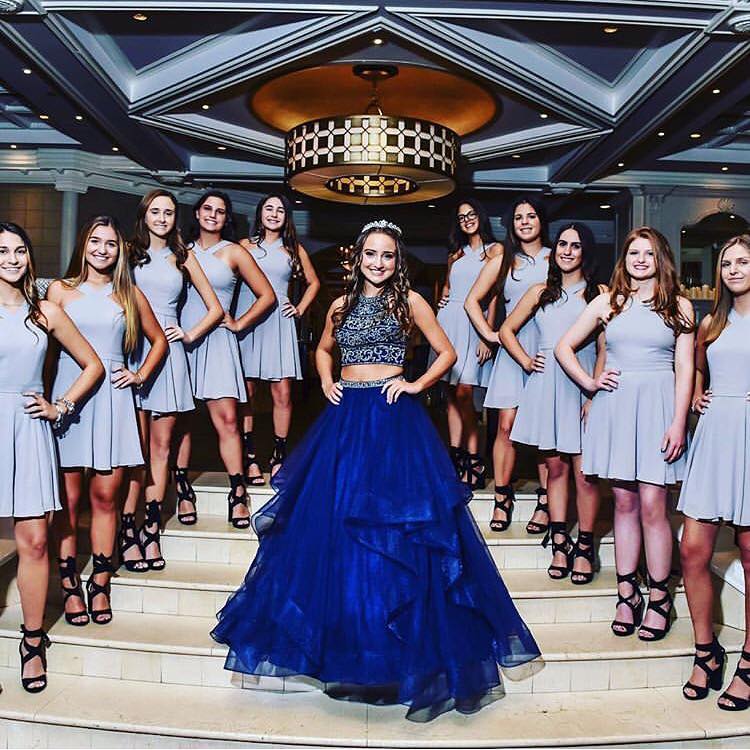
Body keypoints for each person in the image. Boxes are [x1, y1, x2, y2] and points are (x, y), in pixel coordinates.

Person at [211, 219, 540, 722]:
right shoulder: (341, 306)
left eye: (387, 255)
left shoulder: (411, 303)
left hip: (392, 420)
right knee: (336, 530)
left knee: (397, 536)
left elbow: (447, 352)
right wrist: (324, 380)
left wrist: (413, 384)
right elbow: (322, 348)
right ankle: (349, 646)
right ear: (358, 258)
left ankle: (397, 653)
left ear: (397, 260)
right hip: (345, 419)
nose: (379, 263)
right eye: (371, 255)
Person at [556, 226, 694, 641]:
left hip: (658, 408)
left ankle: (659, 598)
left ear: (660, 260)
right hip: (616, 408)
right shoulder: (607, 302)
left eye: (647, 254)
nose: (639, 260)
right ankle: (626, 593)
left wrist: (679, 421)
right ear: (625, 260)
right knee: (623, 502)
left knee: (654, 503)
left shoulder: (680, 306)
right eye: (633, 253)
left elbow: (685, 368)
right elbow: (565, 348)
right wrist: (591, 383)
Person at [48, 215, 168, 627]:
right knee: (67, 503)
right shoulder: (59, 291)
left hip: (114, 401)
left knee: (106, 499)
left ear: (120, 251)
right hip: (69, 395)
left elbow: (160, 342)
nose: (102, 249)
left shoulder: (129, 294)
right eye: (95, 241)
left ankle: (100, 581)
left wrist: (138, 375)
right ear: (83, 245)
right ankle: (68, 585)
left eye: (111, 244)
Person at [0, 221, 102, 692]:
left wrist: (60, 405)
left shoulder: (44, 311)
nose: (12, 258)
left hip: (28, 427)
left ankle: (33, 642)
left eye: (19, 250)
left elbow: (93, 365)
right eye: (2, 251)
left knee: (36, 542)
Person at [122, 189, 223, 573]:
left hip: (168, 356)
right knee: (133, 451)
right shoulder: (128, 252)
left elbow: (214, 308)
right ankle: (127, 531)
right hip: (130, 351)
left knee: (160, 449)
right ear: (144, 214)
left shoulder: (184, 256)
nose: (162, 218)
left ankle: (150, 529)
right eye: (155, 211)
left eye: (168, 212)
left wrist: (188, 333)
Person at [500, 223, 604, 583]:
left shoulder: (600, 293)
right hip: (547, 384)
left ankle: (586, 545)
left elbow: (607, 347)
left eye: (576, 246)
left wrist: (594, 391)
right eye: (562, 244)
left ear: (585, 253)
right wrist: (528, 361)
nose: (567, 251)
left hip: (584, 383)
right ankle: (559, 540)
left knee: (585, 474)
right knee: (555, 468)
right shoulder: (540, 291)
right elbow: (505, 331)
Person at [173, 191, 275, 530]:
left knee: (228, 419)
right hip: (181, 340)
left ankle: (238, 492)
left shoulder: (234, 251)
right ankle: (183, 488)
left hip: (217, 340)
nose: (213, 215)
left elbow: (267, 296)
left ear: (226, 218)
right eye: (207, 209)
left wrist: (238, 322)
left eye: (220, 211)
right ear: (197, 213)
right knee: (180, 420)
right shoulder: (180, 250)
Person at [678, 235, 750, 709]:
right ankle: (707, 651)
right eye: (727, 262)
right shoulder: (712, 321)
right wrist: (701, 392)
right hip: (715, 433)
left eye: (743, 261)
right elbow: (699, 369)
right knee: (693, 551)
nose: (734, 269)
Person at [465, 195, 551, 533]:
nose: (525, 222)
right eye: (519, 218)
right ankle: (503, 496)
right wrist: (489, 333)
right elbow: (472, 300)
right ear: (512, 225)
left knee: (548, 431)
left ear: (541, 221)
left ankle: (547, 500)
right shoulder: (504, 260)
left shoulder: (556, 257)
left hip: (547, 350)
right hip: (512, 347)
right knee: (505, 426)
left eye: (531, 216)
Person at [236, 194, 320, 483]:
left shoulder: (293, 250)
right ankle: (249, 458)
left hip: (278, 323)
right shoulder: (244, 247)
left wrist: (298, 309)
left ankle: (279, 455)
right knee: (246, 393)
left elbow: (314, 283)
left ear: (286, 217)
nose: (274, 214)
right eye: (269, 209)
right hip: (247, 320)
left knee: (282, 393)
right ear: (260, 214)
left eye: (280, 210)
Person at [434, 198, 497, 487]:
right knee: (450, 394)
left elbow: (494, 294)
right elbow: (448, 286)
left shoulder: (495, 251)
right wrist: (443, 298)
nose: (467, 220)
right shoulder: (455, 254)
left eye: (472, 214)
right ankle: (456, 456)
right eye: (462, 217)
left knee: (465, 393)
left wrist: (488, 333)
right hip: (449, 322)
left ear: (480, 217)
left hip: (475, 323)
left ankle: (475, 459)